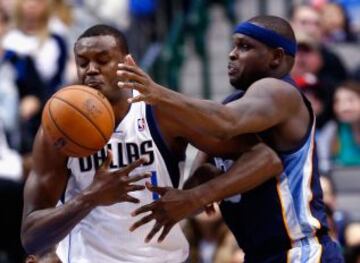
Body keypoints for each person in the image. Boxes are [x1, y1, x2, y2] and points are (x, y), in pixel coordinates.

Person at [21, 24, 283, 262]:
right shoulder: (59, 127)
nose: (91, 70)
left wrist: (197, 196)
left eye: (102, 61)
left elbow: (265, 158)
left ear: (126, 63)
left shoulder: (161, 113)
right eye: (82, 63)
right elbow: (31, 236)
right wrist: (90, 198)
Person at [117, 15, 344, 262]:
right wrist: (195, 188)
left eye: (245, 47)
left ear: (276, 57)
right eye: (234, 45)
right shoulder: (232, 104)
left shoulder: (280, 92)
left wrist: (159, 93)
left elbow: (227, 123)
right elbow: (198, 198)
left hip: (300, 251)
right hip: (258, 255)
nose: (232, 54)